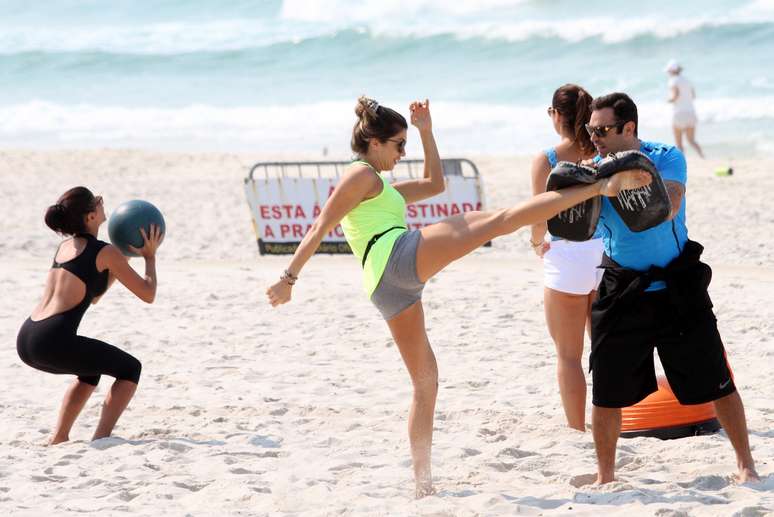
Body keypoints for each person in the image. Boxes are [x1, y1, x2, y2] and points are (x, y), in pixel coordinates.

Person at [266, 96, 652, 497]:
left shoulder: (380, 186)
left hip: (385, 286)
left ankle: (422, 483)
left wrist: (426, 131)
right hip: (395, 255)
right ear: (375, 143)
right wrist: (288, 278)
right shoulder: (361, 176)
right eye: (399, 145)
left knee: (426, 381)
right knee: (501, 220)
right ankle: (601, 187)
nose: (403, 153)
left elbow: (436, 184)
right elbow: (319, 226)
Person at [585, 92, 758, 484]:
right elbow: (571, 224)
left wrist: (621, 181)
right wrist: (590, 186)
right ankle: (605, 476)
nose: (594, 136)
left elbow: (671, 205)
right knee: (606, 389)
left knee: (719, 380)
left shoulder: (666, 156)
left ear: (629, 128)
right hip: (621, 287)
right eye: (590, 129)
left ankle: (746, 465)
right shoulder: (590, 171)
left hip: (676, 282)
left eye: (602, 130)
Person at [17, 187, 161, 445]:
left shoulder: (65, 247)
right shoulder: (105, 252)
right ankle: (101, 438)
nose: (102, 203)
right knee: (130, 368)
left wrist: (118, 266)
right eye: (97, 202)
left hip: (28, 338)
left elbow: (93, 296)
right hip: (51, 342)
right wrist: (149, 258)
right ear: (90, 217)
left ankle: (59, 437)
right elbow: (148, 294)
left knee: (90, 371)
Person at [529, 84, 600, 431]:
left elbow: (539, 214)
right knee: (606, 352)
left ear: (557, 115)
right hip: (605, 255)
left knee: (569, 357)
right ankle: (611, 422)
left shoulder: (548, 159)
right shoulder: (602, 153)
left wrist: (535, 242)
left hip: (567, 259)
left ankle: (576, 430)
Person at [665, 59, 704, 158]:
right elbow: (693, 96)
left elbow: (675, 95)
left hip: (679, 114)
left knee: (679, 144)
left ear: (672, 71)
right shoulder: (687, 80)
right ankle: (702, 157)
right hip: (691, 113)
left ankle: (681, 163)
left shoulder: (673, 81)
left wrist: (668, 100)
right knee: (691, 140)